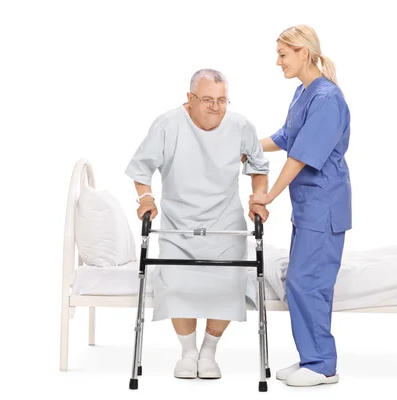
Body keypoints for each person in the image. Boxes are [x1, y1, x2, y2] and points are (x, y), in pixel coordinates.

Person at [125, 68, 270, 380]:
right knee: (176, 284)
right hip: (179, 222)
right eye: (207, 100)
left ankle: (209, 351)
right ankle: (188, 352)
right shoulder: (167, 124)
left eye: (222, 100)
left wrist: (258, 199)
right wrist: (146, 199)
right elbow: (141, 168)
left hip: (225, 220)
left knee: (228, 285)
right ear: (189, 99)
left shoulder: (241, 125)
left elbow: (258, 166)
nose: (215, 107)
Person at [248, 25, 352, 387]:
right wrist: (244, 145)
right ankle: (311, 357)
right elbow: (285, 137)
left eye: (283, 54)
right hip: (309, 206)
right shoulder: (302, 93)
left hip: (323, 205)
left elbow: (301, 156)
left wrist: (269, 195)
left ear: (303, 53)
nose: (278, 62)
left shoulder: (326, 98)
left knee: (309, 282)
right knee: (301, 281)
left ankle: (322, 364)